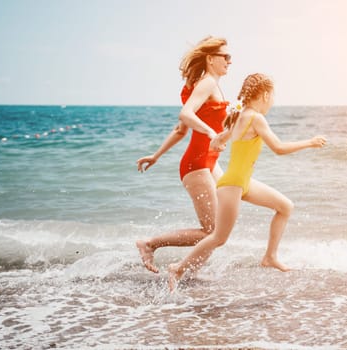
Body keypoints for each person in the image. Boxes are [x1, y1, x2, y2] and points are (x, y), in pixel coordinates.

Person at [168, 73, 327, 291]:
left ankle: (270, 257)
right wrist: (310, 142)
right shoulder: (255, 118)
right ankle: (177, 268)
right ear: (264, 95)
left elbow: (217, 141)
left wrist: (218, 142)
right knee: (218, 237)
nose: (272, 102)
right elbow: (278, 148)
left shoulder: (240, 116)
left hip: (242, 182)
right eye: (272, 97)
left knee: (285, 207)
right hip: (232, 184)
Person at [135, 36, 233, 273]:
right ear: (211, 59)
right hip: (197, 165)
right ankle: (150, 244)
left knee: (222, 225)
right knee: (213, 232)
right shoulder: (208, 83)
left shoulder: (212, 84)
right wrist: (212, 133)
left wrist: (156, 155)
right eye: (226, 57)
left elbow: (181, 130)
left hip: (208, 164)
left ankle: (188, 273)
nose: (230, 61)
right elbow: (185, 115)